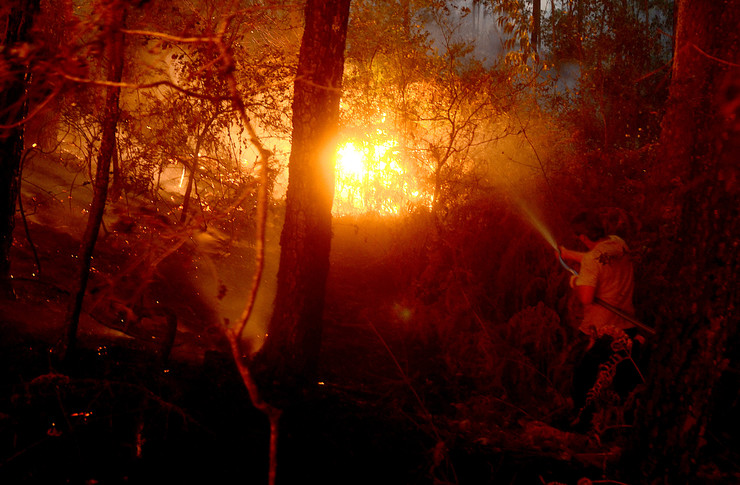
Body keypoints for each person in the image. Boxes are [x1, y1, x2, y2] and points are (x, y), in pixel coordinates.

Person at [558, 210, 642, 431]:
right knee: (624, 380)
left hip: (603, 329)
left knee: (583, 375)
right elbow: (595, 257)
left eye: (580, 239)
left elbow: (586, 297)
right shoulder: (618, 244)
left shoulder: (591, 261)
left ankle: (582, 423)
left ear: (584, 237)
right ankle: (624, 426)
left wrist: (575, 282)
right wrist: (568, 254)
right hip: (628, 326)